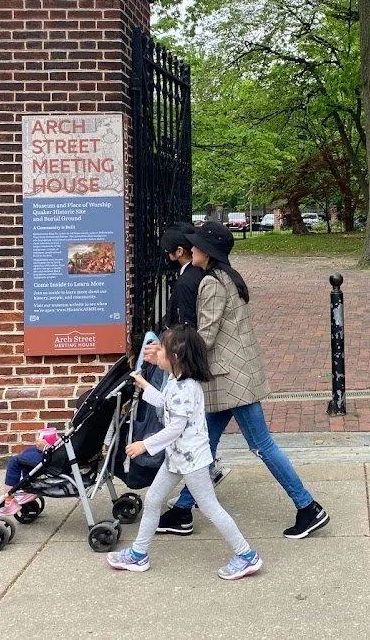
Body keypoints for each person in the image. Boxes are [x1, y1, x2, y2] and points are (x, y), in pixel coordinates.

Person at [152, 221, 330, 540]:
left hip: (231, 380)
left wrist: (170, 352)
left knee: (261, 445)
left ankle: (308, 507)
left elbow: (205, 336)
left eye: (195, 245)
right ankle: (182, 511)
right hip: (232, 377)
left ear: (207, 251)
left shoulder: (211, 284)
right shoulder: (227, 277)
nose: (190, 249)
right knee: (204, 444)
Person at [107, 324, 262, 580]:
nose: (157, 355)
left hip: (191, 461)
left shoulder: (183, 389)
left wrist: (145, 445)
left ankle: (246, 555)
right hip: (177, 458)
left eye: (162, 351)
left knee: (210, 508)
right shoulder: (177, 383)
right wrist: (145, 384)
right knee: (154, 500)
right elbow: (164, 402)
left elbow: (175, 428)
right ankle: (138, 554)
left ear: (176, 358)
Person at [154, 223, 229, 535]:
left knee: (179, 418)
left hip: (185, 361)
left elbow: (189, 323)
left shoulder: (191, 281)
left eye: (171, 253)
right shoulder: (199, 277)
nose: (170, 258)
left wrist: (174, 356)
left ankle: (200, 482)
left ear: (180, 251)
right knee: (204, 426)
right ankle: (190, 496)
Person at [0, 426, 59, 518]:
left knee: (14, 461)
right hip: (58, 452)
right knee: (29, 450)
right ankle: (27, 485)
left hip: (54, 457)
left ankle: (9, 500)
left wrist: (47, 447)